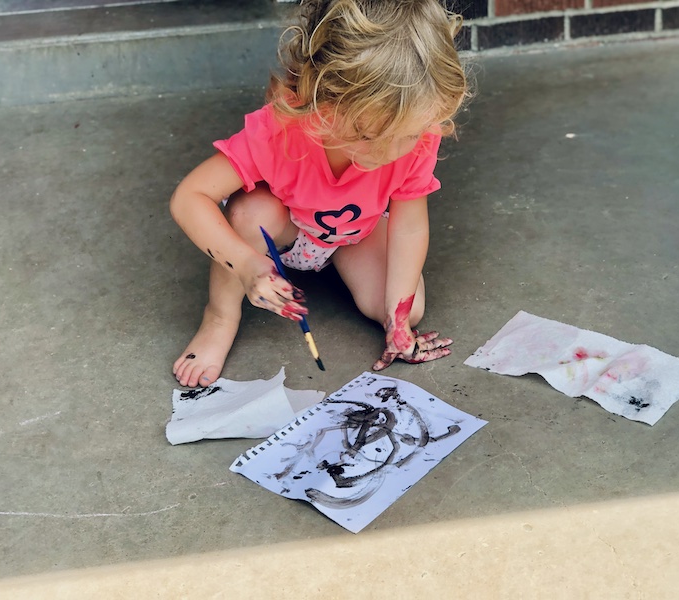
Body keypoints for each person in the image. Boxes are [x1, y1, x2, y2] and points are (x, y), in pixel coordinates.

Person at [171, 0, 470, 387]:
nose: (393, 152)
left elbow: (409, 226)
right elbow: (189, 197)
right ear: (325, 99)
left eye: (410, 135)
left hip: (357, 232)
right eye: (367, 135)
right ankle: (219, 318)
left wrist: (397, 321)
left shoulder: (416, 127)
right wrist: (245, 265)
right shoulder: (281, 129)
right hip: (286, 230)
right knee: (251, 214)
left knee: (406, 311)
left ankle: (354, 277)